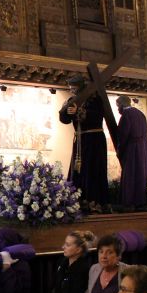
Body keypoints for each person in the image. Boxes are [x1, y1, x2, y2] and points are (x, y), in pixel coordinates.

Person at [59, 75, 108, 211]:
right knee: (78, 169)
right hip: (80, 141)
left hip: (94, 140)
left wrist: (79, 111)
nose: (71, 89)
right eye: (70, 87)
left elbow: (98, 115)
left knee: (93, 170)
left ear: (80, 86)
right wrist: (67, 112)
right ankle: (77, 199)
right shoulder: (71, 100)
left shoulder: (95, 98)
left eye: (73, 87)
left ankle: (94, 201)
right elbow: (64, 119)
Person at [115, 96, 147, 208]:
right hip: (144, 148)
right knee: (141, 173)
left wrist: (119, 149)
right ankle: (142, 200)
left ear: (121, 105)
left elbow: (123, 135)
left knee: (131, 174)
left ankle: (130, 201)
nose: (117, 109)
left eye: (117, 106)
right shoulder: (141, 114)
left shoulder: (126, 115)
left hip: (132, 148)